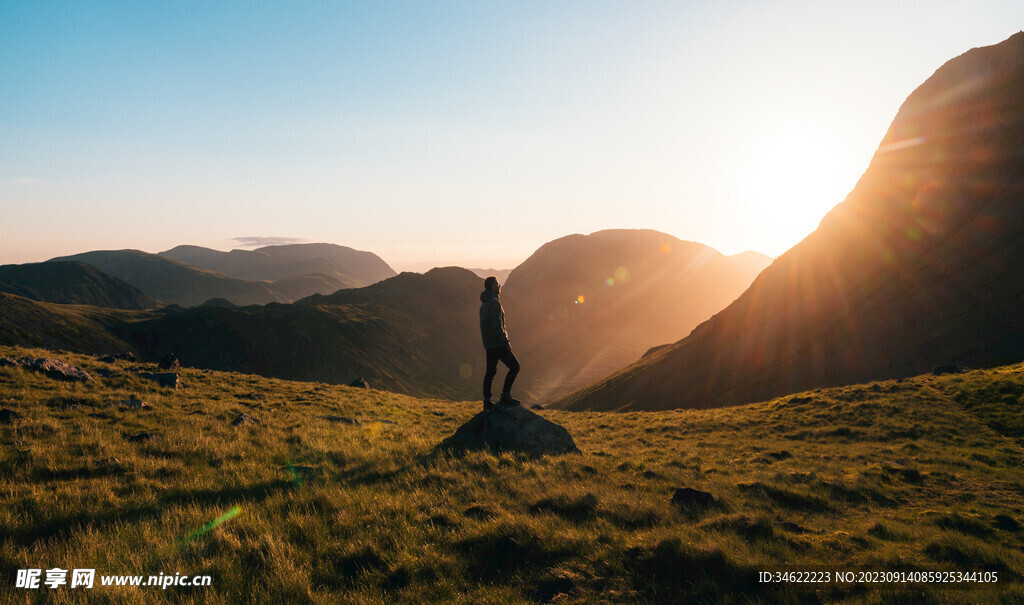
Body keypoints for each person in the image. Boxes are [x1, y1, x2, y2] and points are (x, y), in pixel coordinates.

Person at [479, 276, 521, 412]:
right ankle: (505, 396)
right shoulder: (494, 303)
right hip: (498, 344)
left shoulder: (484, 304)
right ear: (493, 287)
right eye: (498, 284)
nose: (500, 286)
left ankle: (486, 402)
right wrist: (506, 343)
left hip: (489, 345)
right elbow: (498, 326)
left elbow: (485, 326)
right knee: (515, 366)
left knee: (490, 373)